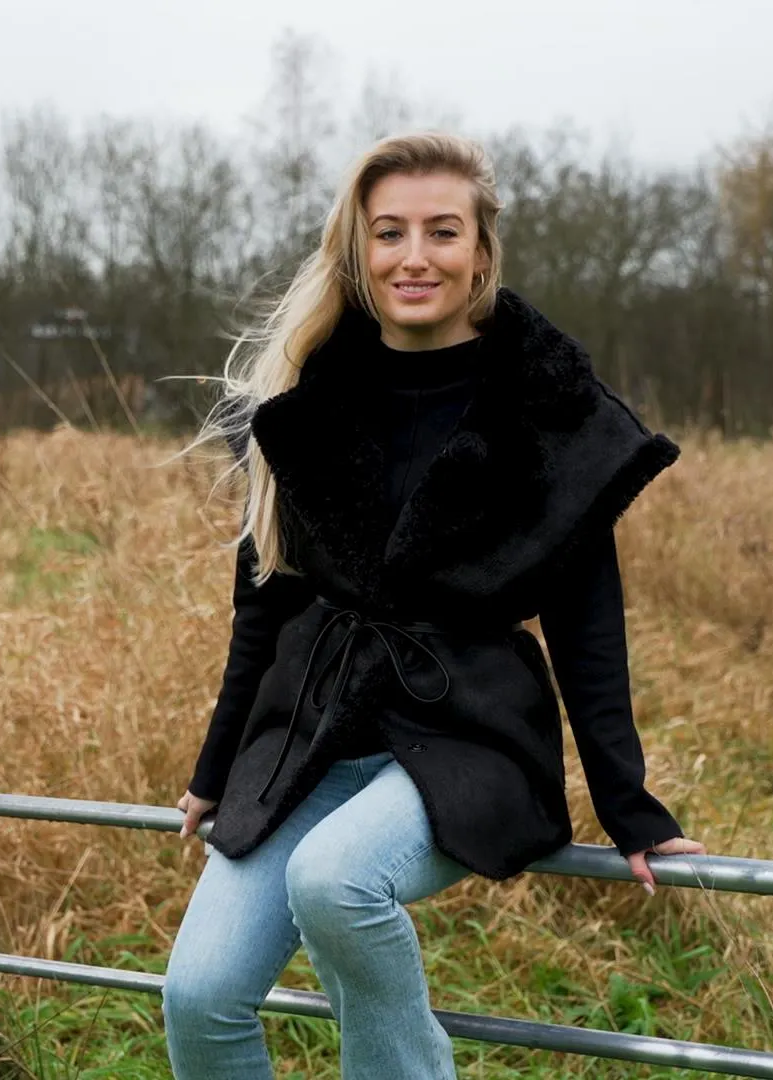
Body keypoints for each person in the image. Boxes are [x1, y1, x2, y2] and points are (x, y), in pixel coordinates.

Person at [160, 131, 706, 1079]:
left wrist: (632, 808)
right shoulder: (303, 399)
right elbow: (263, 607)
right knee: (199, 997)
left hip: (469, 734)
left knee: (335, 878)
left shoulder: (550, 410)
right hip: (310, 730)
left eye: (442, 232)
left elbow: (587, 625)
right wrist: (215, 772)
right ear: (360, 250)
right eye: (390, 233)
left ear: (482, 252)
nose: (415, 256)